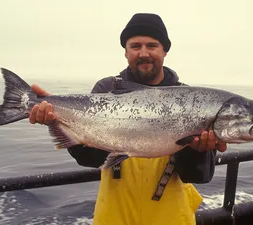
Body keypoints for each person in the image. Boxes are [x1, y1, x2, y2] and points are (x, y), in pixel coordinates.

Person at [28, 13, 227, 225]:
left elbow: (199, 177)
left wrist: (198, 151)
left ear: (165, 51)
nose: (144, 53)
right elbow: (90, 159)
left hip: (171, 216)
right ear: (125, 52)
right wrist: (56, 117)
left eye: (152, 45)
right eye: (135, 46)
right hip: (115, 215)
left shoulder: (192, 100)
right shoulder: (107, 90)